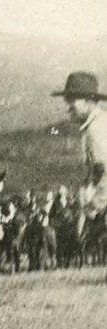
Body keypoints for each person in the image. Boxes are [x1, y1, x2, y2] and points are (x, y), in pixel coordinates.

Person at [53, 71, 107, 235]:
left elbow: (105, 176)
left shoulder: (96, 130)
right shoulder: (99, 123)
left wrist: (91, 209)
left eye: (71, 100)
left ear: (87, 100)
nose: (68, 107)